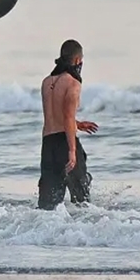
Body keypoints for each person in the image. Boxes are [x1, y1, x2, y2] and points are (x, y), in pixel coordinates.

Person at [38, 39, 98, 210]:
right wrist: (72, 151)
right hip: (65, 142)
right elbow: (67, 116)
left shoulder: (46, 82)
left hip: (48, 145)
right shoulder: (73, 83)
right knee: (81, 201)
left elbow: (55, 116)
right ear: (78, 60)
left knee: (47, 206)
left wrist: (77, 124)